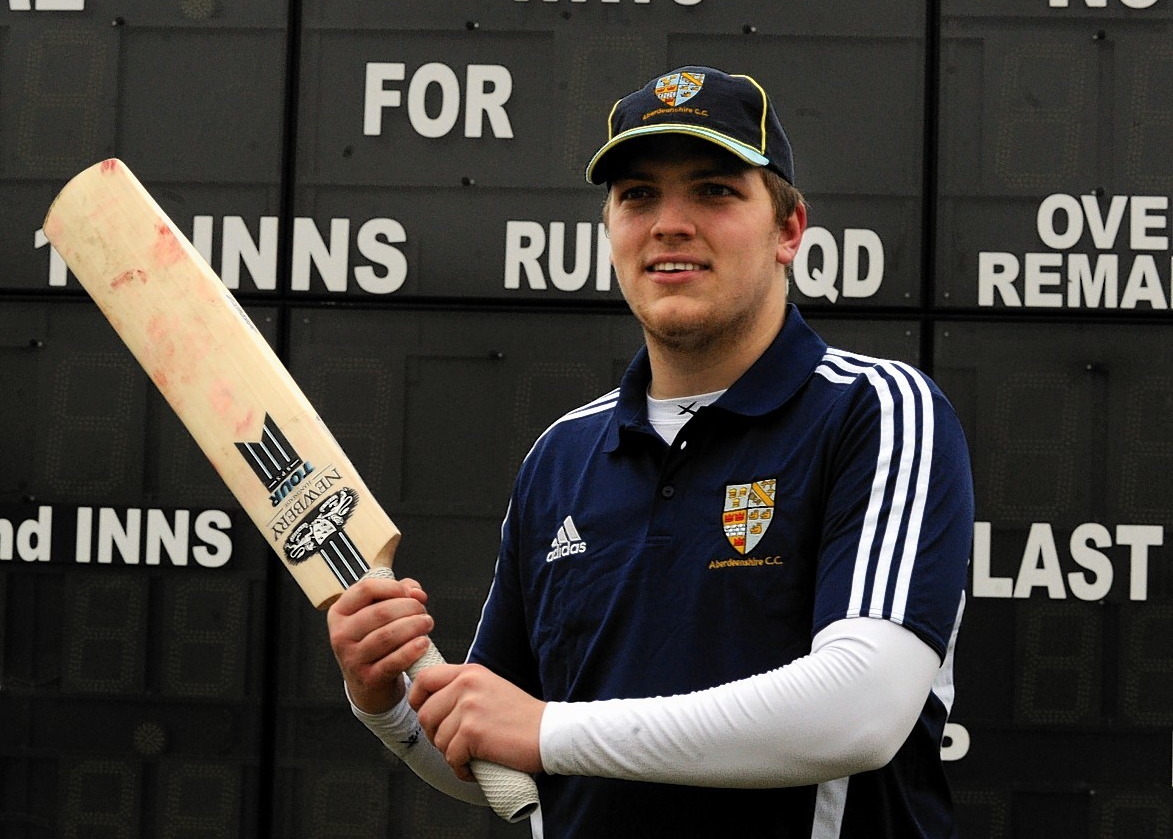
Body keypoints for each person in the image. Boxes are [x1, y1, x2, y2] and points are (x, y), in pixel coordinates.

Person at [327, 65, 975, 837]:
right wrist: (387, 703)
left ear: (788, 231)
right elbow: (503, 765)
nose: (669, 222)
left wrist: (543, 730)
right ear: (610, 229)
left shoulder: (874, 410)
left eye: (714, 190)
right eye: (638, 196)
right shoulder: (560, 458)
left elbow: (861, 712)